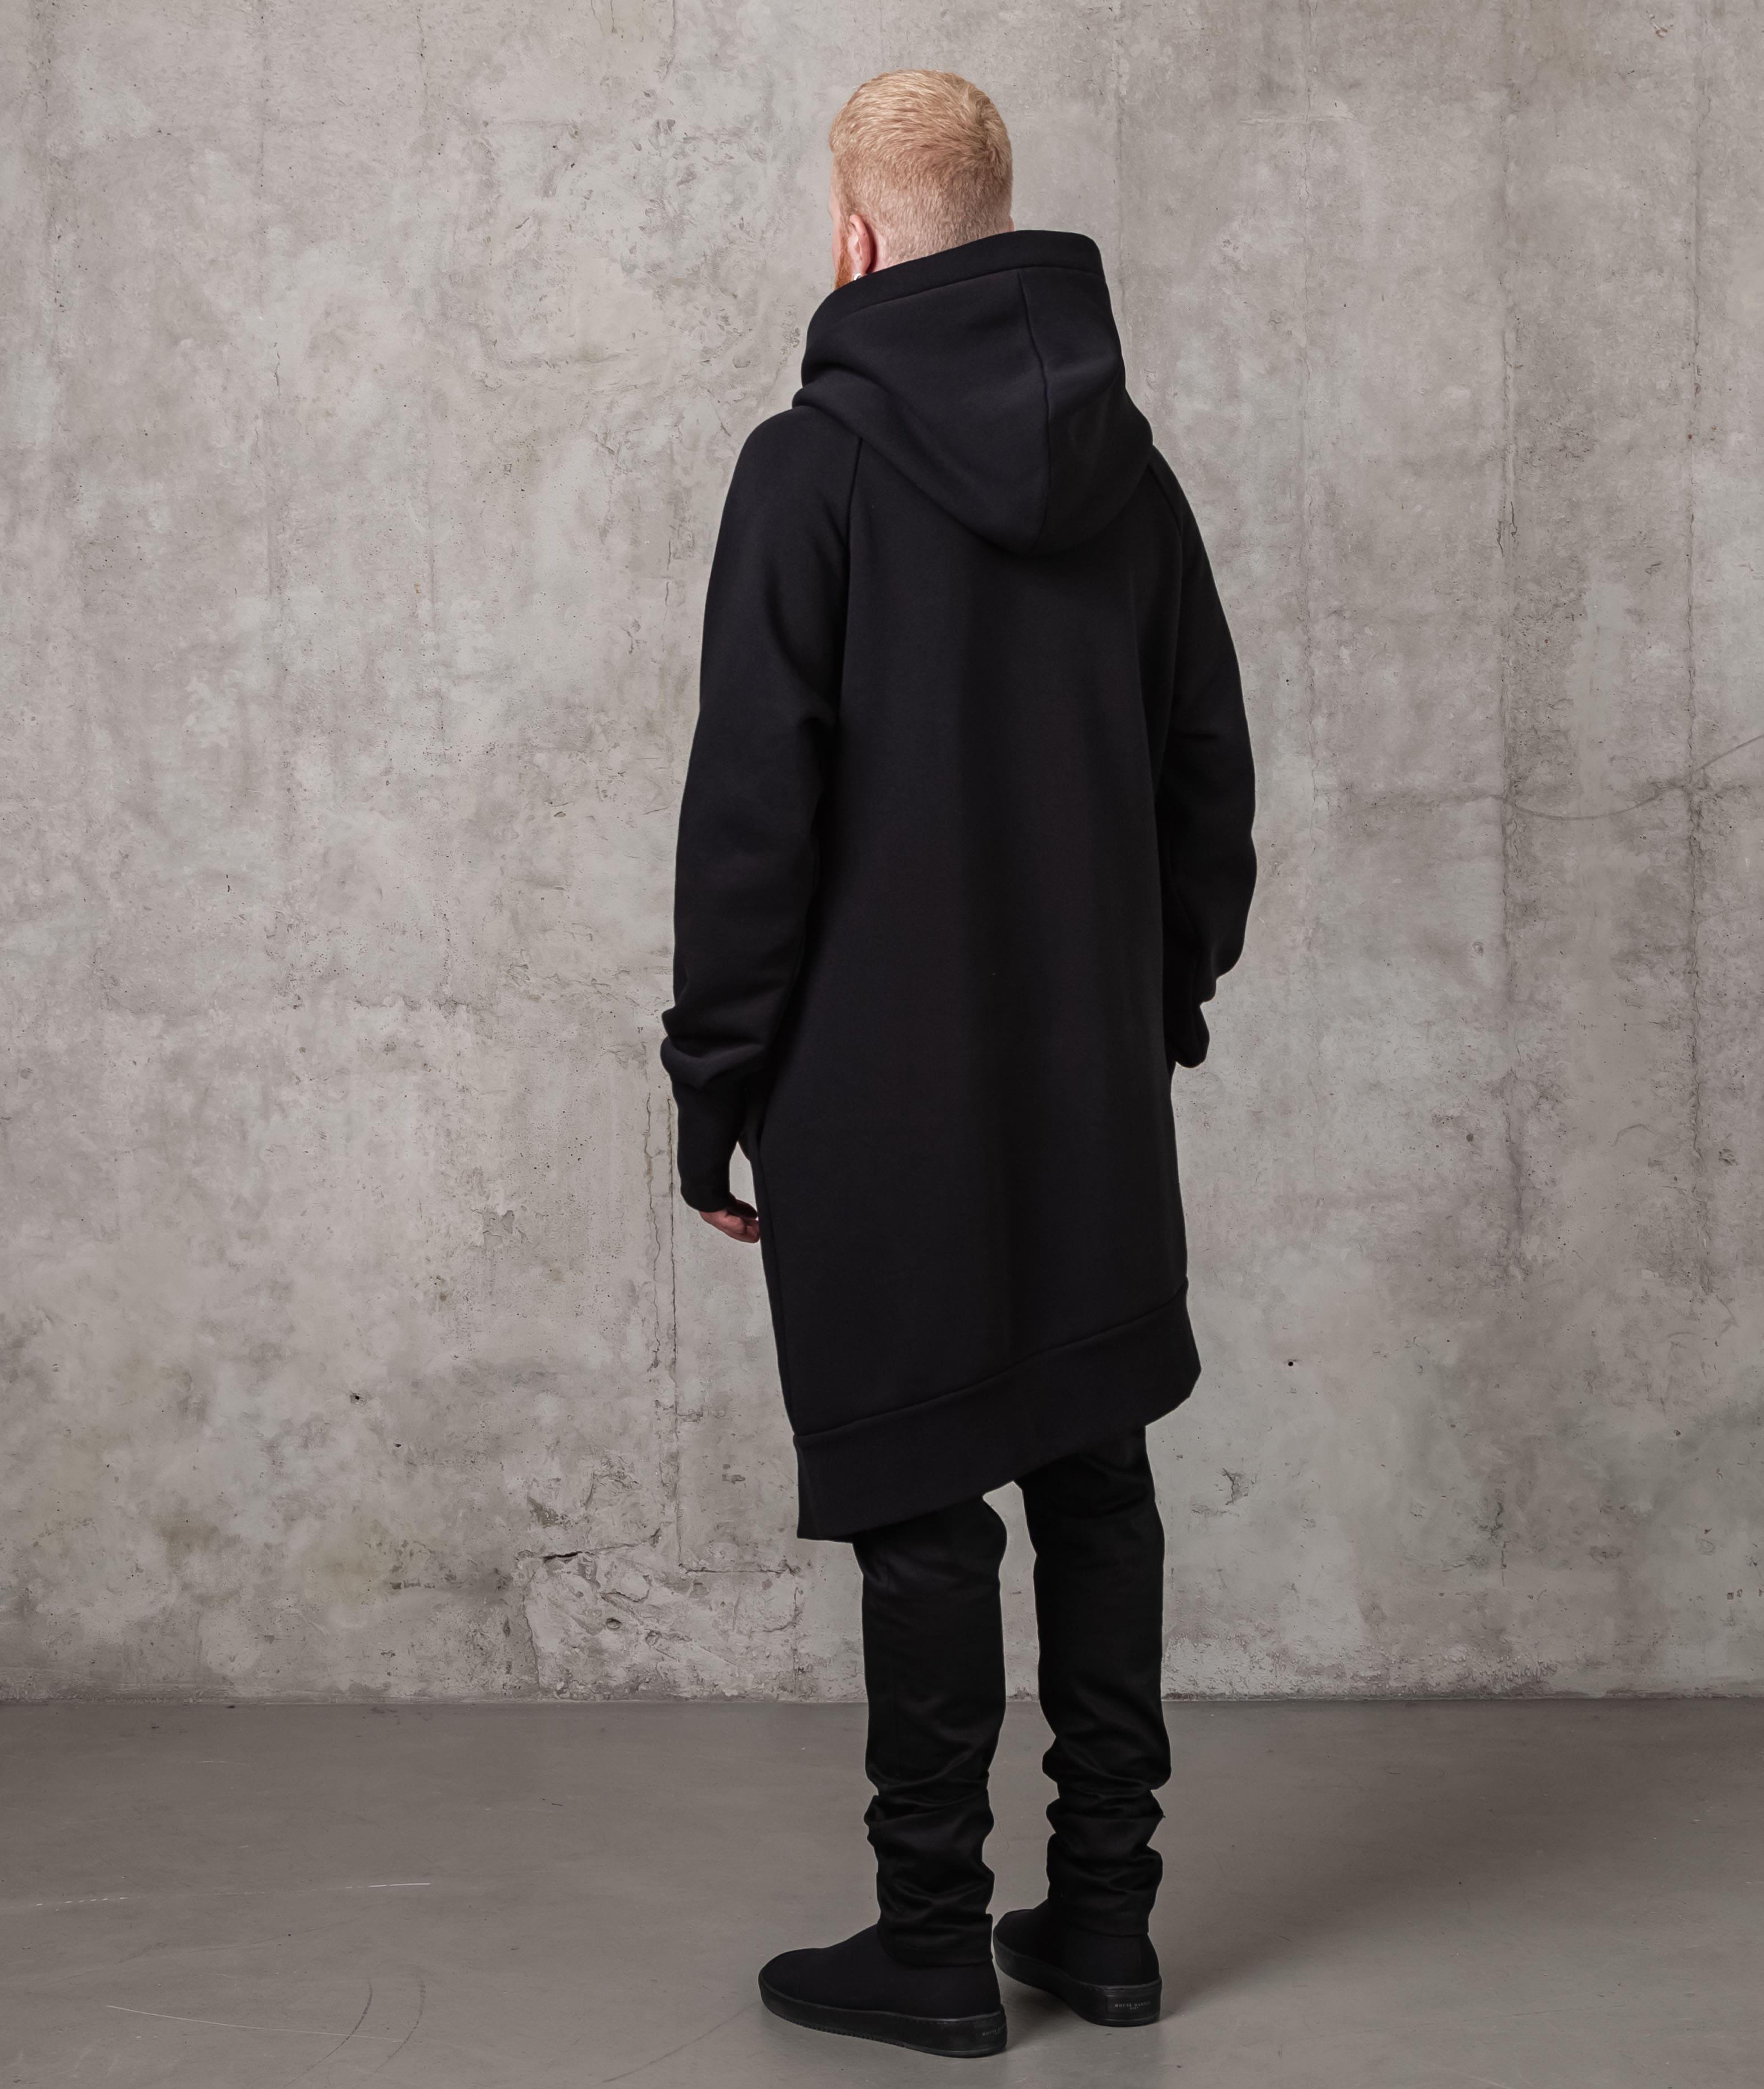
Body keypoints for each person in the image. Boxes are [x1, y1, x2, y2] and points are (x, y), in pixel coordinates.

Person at [659, 68, 1256, 2059]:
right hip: (1087, 1078)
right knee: (1096, 1465)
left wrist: (717, 1080)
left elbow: (754, 812)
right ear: (1000, 222)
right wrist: (1156, 1004)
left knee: (924, 1495)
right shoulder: (1136, 477)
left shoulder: (806, 470)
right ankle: (1105, 1925)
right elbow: (1208, 777)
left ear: (852, 236)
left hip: (874, 1086)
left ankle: (931, 1941)